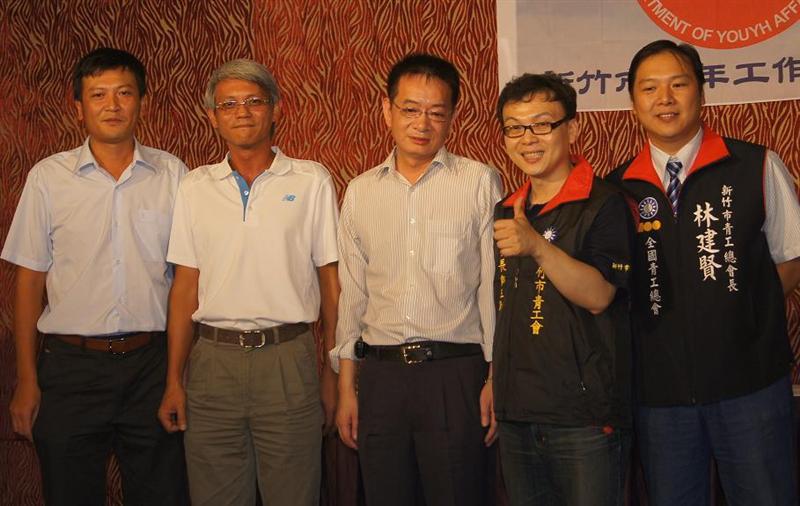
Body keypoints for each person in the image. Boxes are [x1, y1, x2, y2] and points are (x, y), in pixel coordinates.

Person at [607, 39, 800, 506]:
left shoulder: (755, 164)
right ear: (633, 103)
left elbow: (790, 258)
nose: (665, 99)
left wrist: (739, 316)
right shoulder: (616, 190)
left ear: (701, 91)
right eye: (649, 88)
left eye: (678, 84)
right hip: (660, 397)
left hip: (751, 387)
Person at [2, 47, 188, 505]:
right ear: (78, 107)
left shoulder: (173, 175)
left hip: (152, 365)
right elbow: (29, 281)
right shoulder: (49, 178)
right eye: (98, 94)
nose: (112, 105)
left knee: (163, 494)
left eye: (124, 93)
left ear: (142, 101)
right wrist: (27, 378)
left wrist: (177, 376)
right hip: (70, 369)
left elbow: (188, 278)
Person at [157, 58, 339, 506]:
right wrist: (174, 379)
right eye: (229, 104)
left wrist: (333, 372)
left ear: (275, 108)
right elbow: (184, 289)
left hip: (287, 360)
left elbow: (331, 284)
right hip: (211, 364)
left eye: (254, 101)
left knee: (294, 496)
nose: (242, 112)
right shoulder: (194, 187)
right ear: (212, 116)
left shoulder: (311, 180)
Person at [331, 53, 503, 506]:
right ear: (386, 111)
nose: (422, 123)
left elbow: (493, 290)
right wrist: (347, 387)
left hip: (455, 373)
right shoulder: (360, 192)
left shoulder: (479, 182)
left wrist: (495, 376)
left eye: (436, 112)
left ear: (452, 118)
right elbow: (353, 296)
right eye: (410, 109)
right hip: (381, 377)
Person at [492, 72, 633, 506]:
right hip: (516, 413)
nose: (528, 139)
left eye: (541, 124)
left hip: (583, 419)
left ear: (572, 128)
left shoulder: (604, 202)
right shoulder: (507, 208)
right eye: (515, 128)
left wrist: (536, 245)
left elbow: (600, 296)